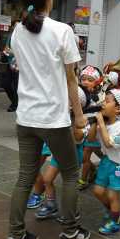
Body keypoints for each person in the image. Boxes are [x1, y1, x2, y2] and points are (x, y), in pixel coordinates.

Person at [4, 0, 90, 239]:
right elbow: (71, 79)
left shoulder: (17, 32)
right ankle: (70, 231)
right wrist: (79, 116)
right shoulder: (62, 31)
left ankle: (15, 236)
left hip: (26, 117)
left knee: (25, 176)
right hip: (53, 119)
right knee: (71, 173)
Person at [35, 88, 89, 220]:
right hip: (58, 154)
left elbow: (78, 138)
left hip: (73, 156)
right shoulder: (58, 117)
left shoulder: (83, 120)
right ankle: (51, 205)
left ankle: (73, 210)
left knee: (69, 184)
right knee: (47, 179)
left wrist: (71, 121)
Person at [89, 88, 120, 235]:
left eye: (107, 101)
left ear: (118, 108)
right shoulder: (104, 123)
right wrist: (95, 122)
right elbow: (90, 139)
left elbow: (108, 143)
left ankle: (115, 221)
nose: (102, 104)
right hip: (107, 161)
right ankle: (112, 210)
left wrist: (101, 122)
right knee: (98, 191)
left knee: (113, 195)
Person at [2, 20, 20, 112]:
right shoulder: (10, 36)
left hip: (19, 65)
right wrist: (6, 52)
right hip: (10, 63)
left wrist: (12, 52)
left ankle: (15, 104)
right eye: (15, 25)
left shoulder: (24, 38)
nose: (17, 27)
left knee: (17, 86)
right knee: (6, 84)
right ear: (12, 27)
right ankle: (15, 101)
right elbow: (6, 48)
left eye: (19, 25)